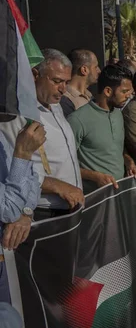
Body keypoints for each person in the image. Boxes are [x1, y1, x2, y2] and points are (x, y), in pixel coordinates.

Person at [68, 65, 136, 194]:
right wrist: (95, 177)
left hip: (119, 193)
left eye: (129, 91)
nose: (129, 96)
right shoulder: (78, 120)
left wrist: (128, 161)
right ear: (107, 91)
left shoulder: (117, 114)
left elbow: (115, 150)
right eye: (124, 91)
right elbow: (65, 165)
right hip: (93, 200)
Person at [30, 49, 84, 214]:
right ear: (35, 75)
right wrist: (57, 186)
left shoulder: (56, 106)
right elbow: (12, 169)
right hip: (41, 211)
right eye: (57, 81)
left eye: (66, 82)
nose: (63, 89)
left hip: (69, 208)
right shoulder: (20, 115)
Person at [0, 121, 46, 302]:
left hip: (7, 257)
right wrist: (23, 153)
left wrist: (26, 212)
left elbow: (32, 178)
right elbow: (8, 210)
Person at [60, 49, 100, 117]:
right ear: (84, 70)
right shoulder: (65, 101)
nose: (99, 71)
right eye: (95, 67)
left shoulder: (89, 96)